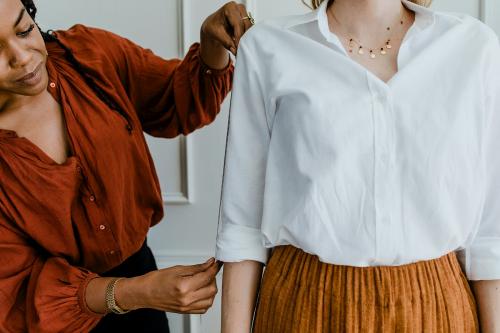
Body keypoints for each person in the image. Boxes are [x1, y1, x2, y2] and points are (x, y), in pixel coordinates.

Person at [216, 0, 500, 331]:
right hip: (304, 306)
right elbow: (242, 228)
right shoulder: (267, 47)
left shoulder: (473, 47)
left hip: (437, 308)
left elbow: (490, 232)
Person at [0, 0, 254, 331]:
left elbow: (177, 103)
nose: (21, 57)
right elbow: (15, 291)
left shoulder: (89, 56)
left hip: (144, 293)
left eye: (24, 30)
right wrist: (133, 292)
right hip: (47, 321)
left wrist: (211, 41)